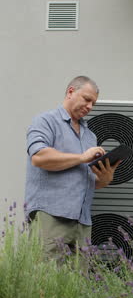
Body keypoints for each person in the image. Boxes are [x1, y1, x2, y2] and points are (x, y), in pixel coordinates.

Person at [25, 75, 121, 266]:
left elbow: (88, 181)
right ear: (71, 92)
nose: (90, 106)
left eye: (93, 103)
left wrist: (106, 177)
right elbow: (39, 157)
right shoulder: (45, 121)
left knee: (77, 287)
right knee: (44, 281)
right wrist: (82, 157)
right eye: (87, 99)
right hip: (51, 216)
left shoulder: (90, 136)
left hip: (82, 222)